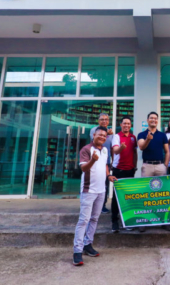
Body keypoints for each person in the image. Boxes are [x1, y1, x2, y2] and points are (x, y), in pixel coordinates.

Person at [73, 126, 117, 266]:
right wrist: (92, 160)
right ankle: (77, 251)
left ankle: (88, 245)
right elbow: (83, 168)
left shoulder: (104, 149)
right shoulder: (86, 149)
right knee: (83, 220)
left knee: (94, 219)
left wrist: (109, 175)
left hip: (101, 190)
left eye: (105, 135)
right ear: (94, 135)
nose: (103, 137)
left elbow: (104, 165)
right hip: (88, 190)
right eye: (100, 135)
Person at [137, 111, 170, 232]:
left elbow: (167, 151)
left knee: (162, 194)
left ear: (157, 121)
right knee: (146, 193)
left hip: (160, 166)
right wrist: (148, 139)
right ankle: (144, 221)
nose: (153, 120)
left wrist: (165, 165)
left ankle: (164, 221)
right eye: (151, 118)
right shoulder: (141, 134)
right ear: (147, 120)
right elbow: (141, 147)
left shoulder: (162, 135)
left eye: (155, 118)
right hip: (147, 166)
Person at [110, 116, 137, 233]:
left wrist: (135, 166)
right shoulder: (117, 136)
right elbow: (115, 150)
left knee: (128, 197)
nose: (126, 125)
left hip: (130, 171)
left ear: (131, 125)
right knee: (116, 197)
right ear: (121, 125)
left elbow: (134, 152)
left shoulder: (133, 137)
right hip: (118, 170)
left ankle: (127, 220)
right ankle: (114, 222)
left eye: (128, 124)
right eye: (124, 123)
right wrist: (121, 147)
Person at [90, 113, 114, 213]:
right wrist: (107, 134)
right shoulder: (94, 130)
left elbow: (112, 148)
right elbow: (95, 141)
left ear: (108, 121)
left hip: (106, 163)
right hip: (95, 161)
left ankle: (102, 205)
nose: (104, 121)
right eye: (102, 119)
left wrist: (112, 160)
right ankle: (92, 205)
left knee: (105, 185)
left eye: (106, 119)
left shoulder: (111, 133)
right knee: (94, 184)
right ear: (98, 120)